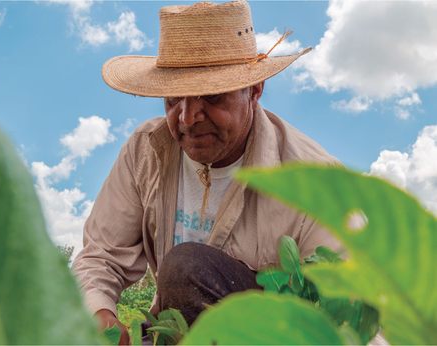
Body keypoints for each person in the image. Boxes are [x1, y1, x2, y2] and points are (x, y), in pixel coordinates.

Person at [72, 1, 342, 344]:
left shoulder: (314, 181)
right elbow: (100, 256)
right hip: (175, 331)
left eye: (212, 96)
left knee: (189, 267)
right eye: (174, 100)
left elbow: (346, 312)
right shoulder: (146, 150)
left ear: (254, 91)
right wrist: (99, 315)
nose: (187, 118)